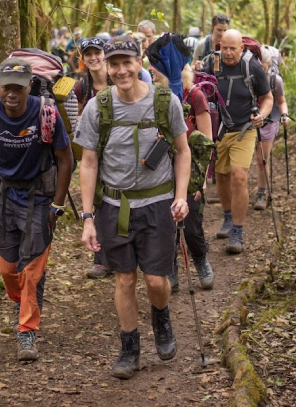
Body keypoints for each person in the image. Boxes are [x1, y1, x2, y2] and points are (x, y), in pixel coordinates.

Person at [76, 36, 190, 380]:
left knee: (156, 280)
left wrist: (181, 196)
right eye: (115, 64)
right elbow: (88, 163)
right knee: (125, 279)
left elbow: (183, 151)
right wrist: (87, 218)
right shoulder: (97, 107)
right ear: (107, 67)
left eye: (127, 62)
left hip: (157, 203)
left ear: (140, 63)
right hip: (115, 205)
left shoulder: (165, 101)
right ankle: (130, 348)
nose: (121, 70)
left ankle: (161, 317)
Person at [0, 58, 74, 361]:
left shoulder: (46, 112)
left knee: (31, 269)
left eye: (19, 88)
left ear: (30, 86)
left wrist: (57, 205)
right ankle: (22, 301)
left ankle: (27, 331)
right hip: (1, 196)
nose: (12, 94)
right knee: (8, 269)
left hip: (38, 197)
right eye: (7, 88)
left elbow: (66, 158)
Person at [149, 63, 214, 291]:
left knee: (192, 226)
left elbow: (206, 142)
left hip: (191, 170)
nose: (150, 69)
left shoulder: (194, 96)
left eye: (155, 65)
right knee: (166, 225)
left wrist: (202, 180)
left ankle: (200, 257)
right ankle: (170, 266)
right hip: (161, 170)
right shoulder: (152, 97)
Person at [213, 30, 273, 253]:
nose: (228, 53)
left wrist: (262, 116)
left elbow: (268, 98)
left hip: (244, 129)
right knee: (222, 175)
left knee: (238, 176)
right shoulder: (213, 63)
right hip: (219, 130)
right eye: (224, 48)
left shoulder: (251, 66)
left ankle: (237, 230)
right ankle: (228, 217)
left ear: (241, 47)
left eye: (232, 49)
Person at [73, 37, 114, 279]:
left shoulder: (120, 78)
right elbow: (74, 119)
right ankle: (101, 259)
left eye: (97, 52)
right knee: (100, 202)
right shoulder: (82, 88)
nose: (93, 57)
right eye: (88, 54)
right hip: (94, 152)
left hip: (122, 149)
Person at [253, 47, 290, 209]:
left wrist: (285, 115)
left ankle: (261, 193)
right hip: (248, 121)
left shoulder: (275, 80)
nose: (260, 69)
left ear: (269, 64)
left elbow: (281, 101)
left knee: (262, 159)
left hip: (268, 121)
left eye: (263, 65)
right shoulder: (248, 77)